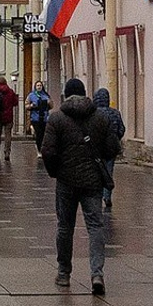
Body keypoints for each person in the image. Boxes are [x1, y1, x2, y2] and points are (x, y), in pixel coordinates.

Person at [39, 76, 110, 294]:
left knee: (65, 226)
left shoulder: (57, 118)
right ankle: (97, 274)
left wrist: (55, 171)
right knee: (95, 226)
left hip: (66, 181)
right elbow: (113, 147)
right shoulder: (99, 118)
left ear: (66, 94)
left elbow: (47, 150)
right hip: (92, 181)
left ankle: (63, 273)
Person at [92, 81, 126, 215]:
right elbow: (121, 129)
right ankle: (107, 195)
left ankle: (98, 195)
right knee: (108, 172)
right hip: (111, 148)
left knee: (97, 172)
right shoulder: (115, 113)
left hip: (96, 149)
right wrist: (115, 138)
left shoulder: (93, 114)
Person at [0, 74, 18, 168]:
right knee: (8, 135)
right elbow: (15, 102)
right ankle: (7, 152)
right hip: (9, 116)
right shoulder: (10, 91)